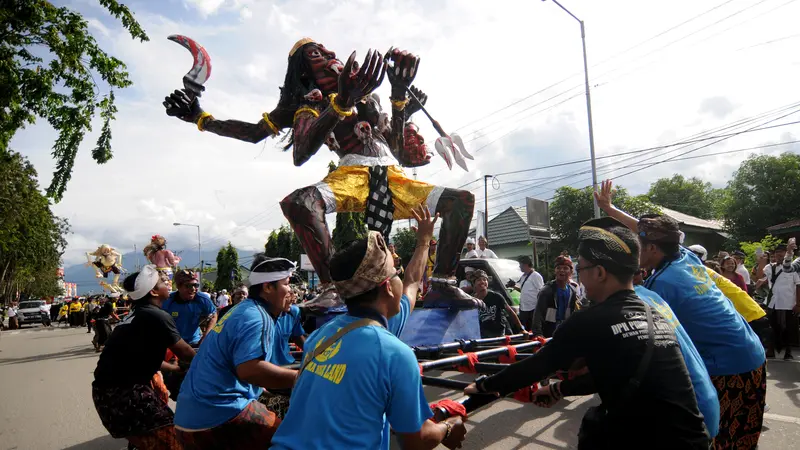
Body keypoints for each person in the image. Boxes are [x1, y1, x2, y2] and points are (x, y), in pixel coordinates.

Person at [466, 217, 710, 449]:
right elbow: (612, 374)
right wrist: (557, 389)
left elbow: (538, 366)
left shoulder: (592, 319)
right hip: (693, 438)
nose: (578, 276)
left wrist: (485, 385)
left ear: (600, 272)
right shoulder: (654, 314)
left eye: (580, 269)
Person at [271, 206, 467, 450]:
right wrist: (449, 426)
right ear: (386, 287)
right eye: (396, 273)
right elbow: (416, 441)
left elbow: (413, 283)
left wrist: (424, 241)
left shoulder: (323, 335)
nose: (401, 279)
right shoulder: (394, 354)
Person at [595, 179, 766, 449]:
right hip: (751, 351)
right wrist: (610, 209)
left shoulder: (663, 283)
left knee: (717, 440)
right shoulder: (684, 257)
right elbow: (650, 232)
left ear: (651, 248)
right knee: (742, 439)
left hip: (728, 365)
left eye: (637, 244)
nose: (633, 248)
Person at [173, 257, 299, 448]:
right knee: (293, 440)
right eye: (287, 284)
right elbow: (250, 371)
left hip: (186, 419)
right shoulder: (258, 317)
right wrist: (303, 378)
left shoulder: (242, 309)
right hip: (218, 415)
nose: (291, 291)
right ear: (267, 288)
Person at [92, 266, 196, 449]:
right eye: (163, 282)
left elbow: (142, 358)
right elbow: (186, 353)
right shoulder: (156, 315)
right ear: (154, 291)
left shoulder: (136, 314)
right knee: (176, 442)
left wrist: (175, 368)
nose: (168, 283)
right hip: (126, 396)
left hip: (108, 396)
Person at [756, 243, 800, 360]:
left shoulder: (793, 268)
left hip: (789, 303)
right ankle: (771, 349)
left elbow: (798, 286)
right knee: (772, 326)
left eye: (782, 251)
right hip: (773, 302)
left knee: (788, 328)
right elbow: (760, 276)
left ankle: (788, 351)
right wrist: (761, 262)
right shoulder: (770, 267)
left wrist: (798, 303)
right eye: (777, 252)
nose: (779, 254)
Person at [162, 270, 218, 347]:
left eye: (196, 285)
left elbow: (214, 315)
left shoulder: (202, 299)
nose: (193, 289)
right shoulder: (168, 301)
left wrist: (206, 335)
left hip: (194, 342)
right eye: (188, 286)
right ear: (178, 286)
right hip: (173, 343)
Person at [531, 256, 577, 338]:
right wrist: (538, 334)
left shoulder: (572, 291)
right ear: (555, 271)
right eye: (558, 268)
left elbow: (572, 314)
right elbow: (538, 314)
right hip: (549, 331)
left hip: (565, 330)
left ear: (571, 272)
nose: (561, 270)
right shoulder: (546, 291)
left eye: (565, 268)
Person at [474, 269, 524, 338]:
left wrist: (521, 329)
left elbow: (510, 312)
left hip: (498, 334)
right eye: (479, 280)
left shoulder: (496, 296)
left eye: (484, 279)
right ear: (474, 283)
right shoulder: (471, 300)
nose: (482, 282)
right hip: (482, 335)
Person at [508, 256, 544, 332]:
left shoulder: (536, 276)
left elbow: (541, 291)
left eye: (520, 264)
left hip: (533, 308)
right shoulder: (523, 276)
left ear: (526, 264)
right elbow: (523, 290)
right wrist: (513, 286)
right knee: (525, 329)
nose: (519, 266)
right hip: (524, 308)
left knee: (533, 329)